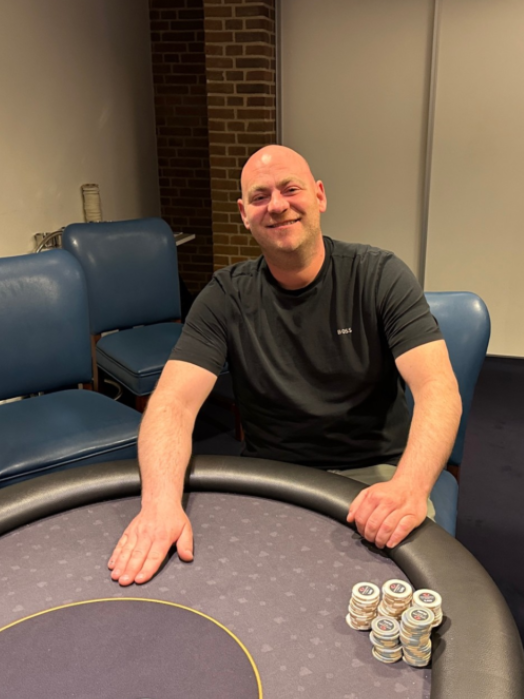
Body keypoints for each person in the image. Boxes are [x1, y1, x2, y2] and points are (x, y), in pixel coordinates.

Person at [108, 145, 462, 586]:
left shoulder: (379, 276)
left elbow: (437, 388)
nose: (276, 205)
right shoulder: (224, 296)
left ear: (319, 196)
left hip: (375, 474)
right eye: (260, 197)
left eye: (290, 189)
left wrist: (409, 486)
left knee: (385, 598)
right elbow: (172, 404)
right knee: (232, 589)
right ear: (244, 213)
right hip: (275, 476)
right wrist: (160, 503)